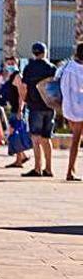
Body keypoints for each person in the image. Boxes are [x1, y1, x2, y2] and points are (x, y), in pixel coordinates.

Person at [21, 42, 57, 177]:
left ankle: (37, 168)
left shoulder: (29, 68)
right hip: (49, 106)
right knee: (47, 138)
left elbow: (24, 87)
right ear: (44, 52)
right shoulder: (51, 67)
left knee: (35, 137)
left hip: (35, 106)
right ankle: (49, 168)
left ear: (33, 53)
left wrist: (25, 100)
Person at [0, 57, 29, 167]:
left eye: (12, 63)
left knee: (15, 134)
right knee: (13, 134)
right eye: (8, 63)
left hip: (17, 109)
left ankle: (20, 159)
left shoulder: (17, 76)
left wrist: (20, 110)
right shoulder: (8, 77)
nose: (10, 65)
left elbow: (21, 94)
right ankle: (21, 157)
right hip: (13, 108)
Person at [56, 43, 83, 182]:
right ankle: (70, 171)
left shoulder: (67, 66)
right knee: (76, 140)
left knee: (76, 139)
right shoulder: (80, 70)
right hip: (80, 108)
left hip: (68, 107)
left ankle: (71, 170)